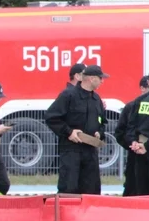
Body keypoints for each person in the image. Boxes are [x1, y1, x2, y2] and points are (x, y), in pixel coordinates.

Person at [44, 65, 109, 195]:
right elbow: (51, 117)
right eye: (100, 78)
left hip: (90, 151)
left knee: (92, 190)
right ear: (91, 78)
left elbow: (102, 121)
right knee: (69, 188)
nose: (103, 81)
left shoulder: (96, 99)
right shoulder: (69, 95)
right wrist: (69, 132)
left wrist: (100, 133)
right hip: (71, 151)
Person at [114, 76, 149, 196]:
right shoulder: (133, 105)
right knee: (133, 188)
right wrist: (133, 146)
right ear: (142, 88)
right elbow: (121, 132)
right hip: (135, 156)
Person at [125, 70, 149, 195]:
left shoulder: (140, 100)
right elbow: (131, 125)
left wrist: (146, 146)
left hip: (148, 148)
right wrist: (133, 142)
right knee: (142, 190)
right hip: (140, 151)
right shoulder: (140, 101)